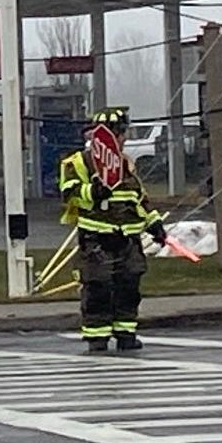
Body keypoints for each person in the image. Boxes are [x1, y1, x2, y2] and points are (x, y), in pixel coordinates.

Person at [58, 108, 165, 354]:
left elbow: (138, 199)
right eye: (117, 133)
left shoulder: (125, 164)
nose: (122, 138)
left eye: (122, 133)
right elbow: (69, 194)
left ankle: (126, 333)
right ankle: (98, 338)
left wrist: (154, 224)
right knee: (98, 288)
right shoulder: (79, 162)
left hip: (128, 240)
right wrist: (93, 192)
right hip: (97, 240)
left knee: (128, 288)